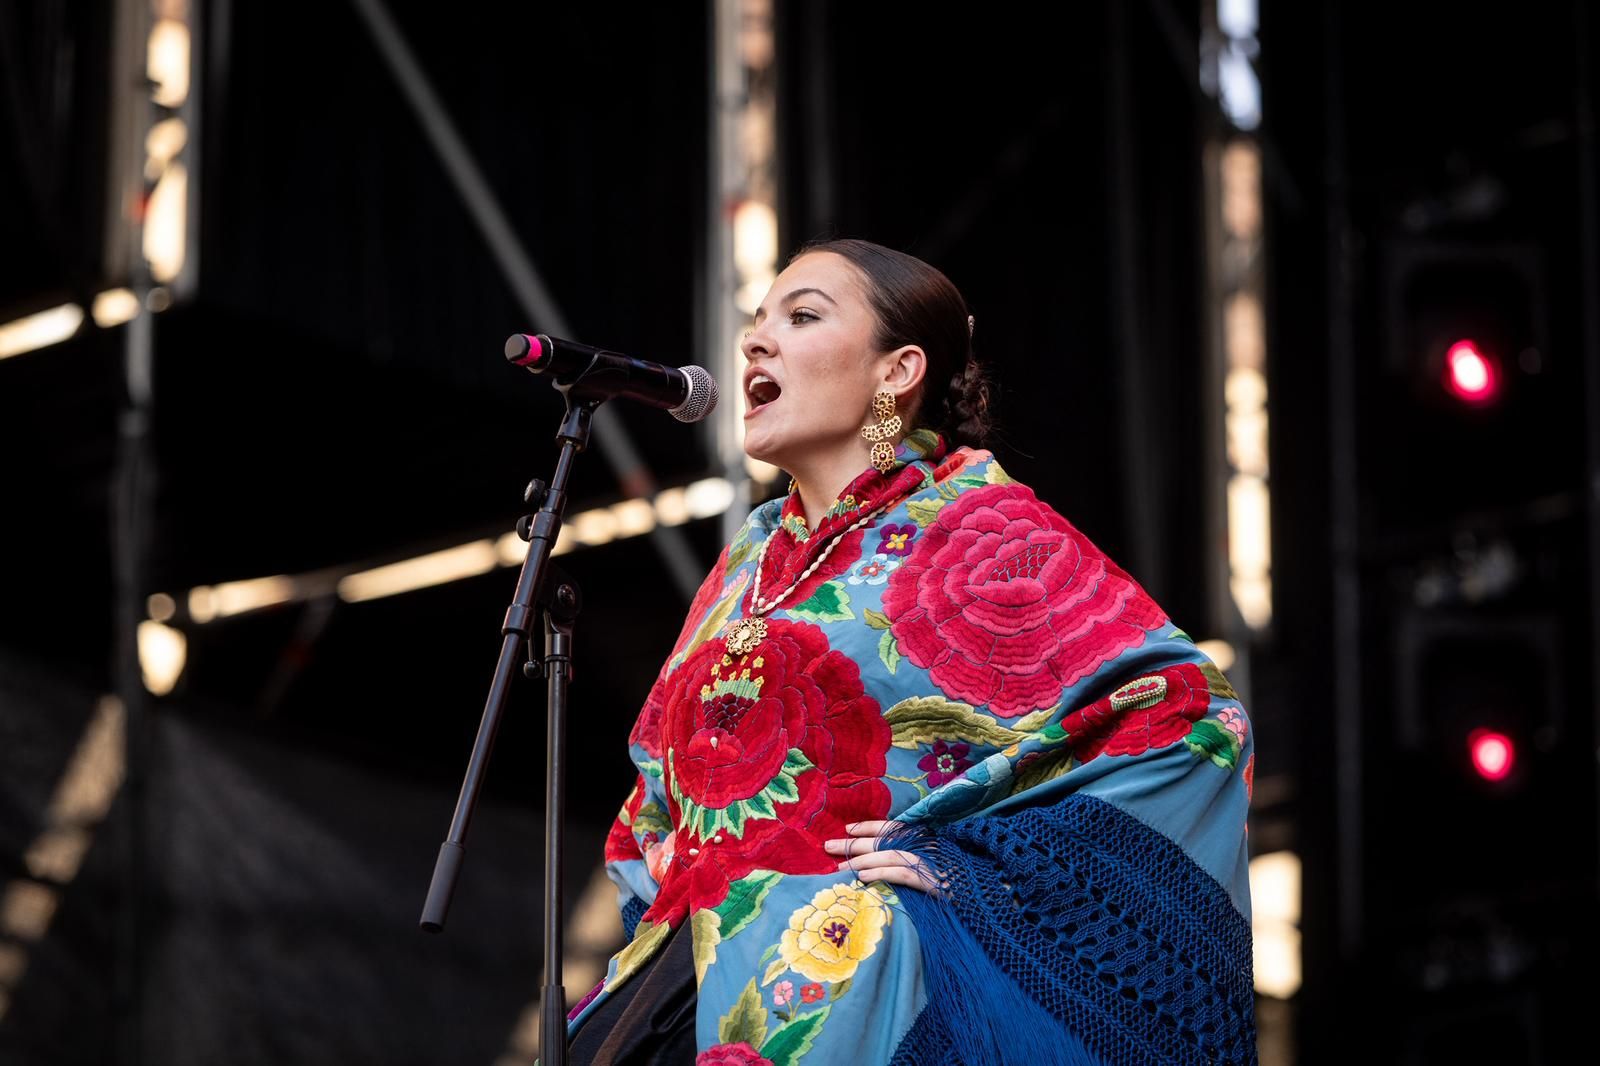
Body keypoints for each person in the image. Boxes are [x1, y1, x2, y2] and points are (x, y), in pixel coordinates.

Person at [565, 239, 1258, 1065]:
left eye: (802, 315)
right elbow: (655, 791)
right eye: (756, 321)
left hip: (856, 997)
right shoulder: (748, 560)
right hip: (688, 990)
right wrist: (684, 866)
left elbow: (1192, 719)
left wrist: (968, 868)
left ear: (897, 372)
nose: (755, 340)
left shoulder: (981, 526)